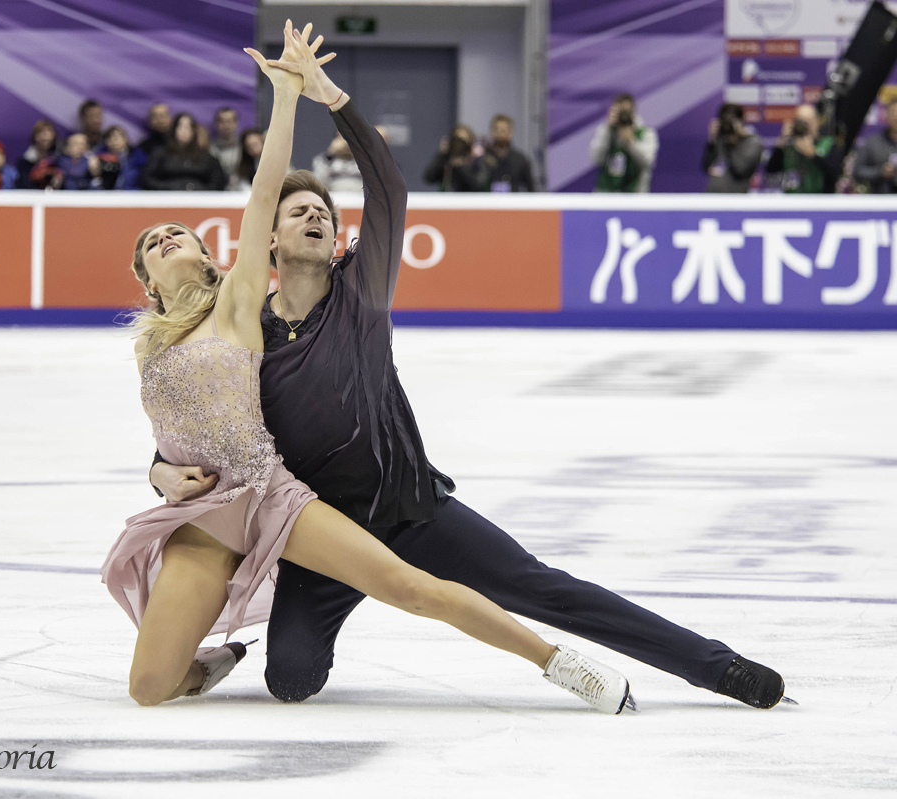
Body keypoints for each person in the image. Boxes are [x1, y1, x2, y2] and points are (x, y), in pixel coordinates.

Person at [150, 30, 789, 712]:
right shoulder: (247, 333)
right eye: (296, 210)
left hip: (411, 510)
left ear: (336, 237)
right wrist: (159, 468)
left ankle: (719, 668)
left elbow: (388, 189)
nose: (313, 214)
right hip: (323, 532)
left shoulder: (361, 291)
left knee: (546, 588)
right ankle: (278, 634)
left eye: (323, 212)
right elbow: (205, 423)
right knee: (292, 679)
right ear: (268, 240)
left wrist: (332, 99)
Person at [106, 21, 635, 714]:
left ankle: (562, 663)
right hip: (200, 522)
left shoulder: (236, 304)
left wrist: (289, 95)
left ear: (211, 257)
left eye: (178, 232)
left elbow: (265, 192)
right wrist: (158, 471)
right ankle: (219, 656)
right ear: (147, 279)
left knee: (412, 588)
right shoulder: (149, 345)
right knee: (149, 689)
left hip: (267, 496)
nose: (166, 238)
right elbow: (175, 433)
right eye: (152, 243)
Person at [140, 112, 227, 191]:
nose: (184, 131)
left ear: (194, 131)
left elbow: (218, 181)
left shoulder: (205, 156)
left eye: (188, 127)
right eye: (180, 126)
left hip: (200, 201)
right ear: (174, 130)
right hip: (166, 200)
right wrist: (168, 187)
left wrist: (200, 190)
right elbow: (146, 179)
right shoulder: (160, 153)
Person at [764, 104, 841, 194]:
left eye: (807, 121)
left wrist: (813, 155)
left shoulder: (829, 144)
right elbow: (771, 170)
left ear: (817, 121)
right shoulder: (789, 146)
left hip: (820, 202)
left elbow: (835, 175)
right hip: (792, 201)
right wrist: (781, 143)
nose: (804, 126)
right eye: (799, 121)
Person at [590, 93, 658, 192]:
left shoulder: (645, 133)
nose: (623, 116)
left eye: (626, 112)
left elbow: (648, 162)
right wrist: (607, 131)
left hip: (634, 195)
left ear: (633, 112)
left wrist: (631, 142)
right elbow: (596, 159)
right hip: (606, 194)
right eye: (619, 112)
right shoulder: (605, 131)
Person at [702, 103, 763, 193]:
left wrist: (732, 144)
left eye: (732, 120)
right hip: (712, 197)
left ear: (742, 121)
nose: (728, 125)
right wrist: (712, 141)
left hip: (737, 200)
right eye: (725, 120)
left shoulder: (752, 142)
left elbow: (740, 171)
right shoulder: (721, 139)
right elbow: (706, 167)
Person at [423, 124, 489, 191]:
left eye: (463, 142)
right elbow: (429, 178)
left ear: (470, 143)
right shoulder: (446, 158)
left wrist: (462, 166)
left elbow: (478, 185)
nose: (459, 146)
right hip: (447, 199)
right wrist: (441, 154)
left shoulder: (477, 160)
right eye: (457, 141)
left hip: (471, 200)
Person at [852, 101, 897, 193]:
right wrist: (880, 172)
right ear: (886, 116)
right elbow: (857, 171)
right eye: (893, 113)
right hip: (881, 200)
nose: (896, 117)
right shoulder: (873, 142)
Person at [483, 114, 535, 192]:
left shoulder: (520, 159)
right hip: (487, 202)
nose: (500, 134)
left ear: (511, 132)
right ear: (491, 131)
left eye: (504, 131)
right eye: (497, 130)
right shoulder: (483, 158)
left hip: (513, 202)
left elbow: (531, 188)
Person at [94, 126, 145, 190]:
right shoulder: (100, 155)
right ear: (106, 141)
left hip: (132, 192)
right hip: (107, 193)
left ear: (125, 139)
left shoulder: (136, 155)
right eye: (110, 137)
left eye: (117, 136)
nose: (114, 140)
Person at [17, 119, 60, 190]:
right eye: (41, 132)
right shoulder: (25, 161)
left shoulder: (59, 159)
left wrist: (58, 181)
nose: (45, 135)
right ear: (34, 136)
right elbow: (24, 186)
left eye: (49, 131)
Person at [209, 107, 242, 179]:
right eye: (222, 121)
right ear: (216, 124)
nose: (226, 125)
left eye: (229, 121)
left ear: (236, 123)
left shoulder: (244, 148)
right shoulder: (209, 149)